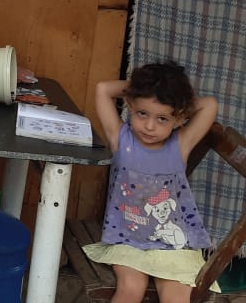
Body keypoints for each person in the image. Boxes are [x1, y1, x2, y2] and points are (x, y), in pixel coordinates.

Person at [84, 62, 220, 303]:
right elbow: (102, 89)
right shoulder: (120, 139)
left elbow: (210, 105)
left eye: (162, 119)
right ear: (131, 105)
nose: (149, 126)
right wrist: (142, 89)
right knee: (130, 289)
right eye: (142, 113)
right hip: (128, 239)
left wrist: (175, 101)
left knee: (177, 298)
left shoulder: (180, 144)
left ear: (179, 118)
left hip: (172, 243)